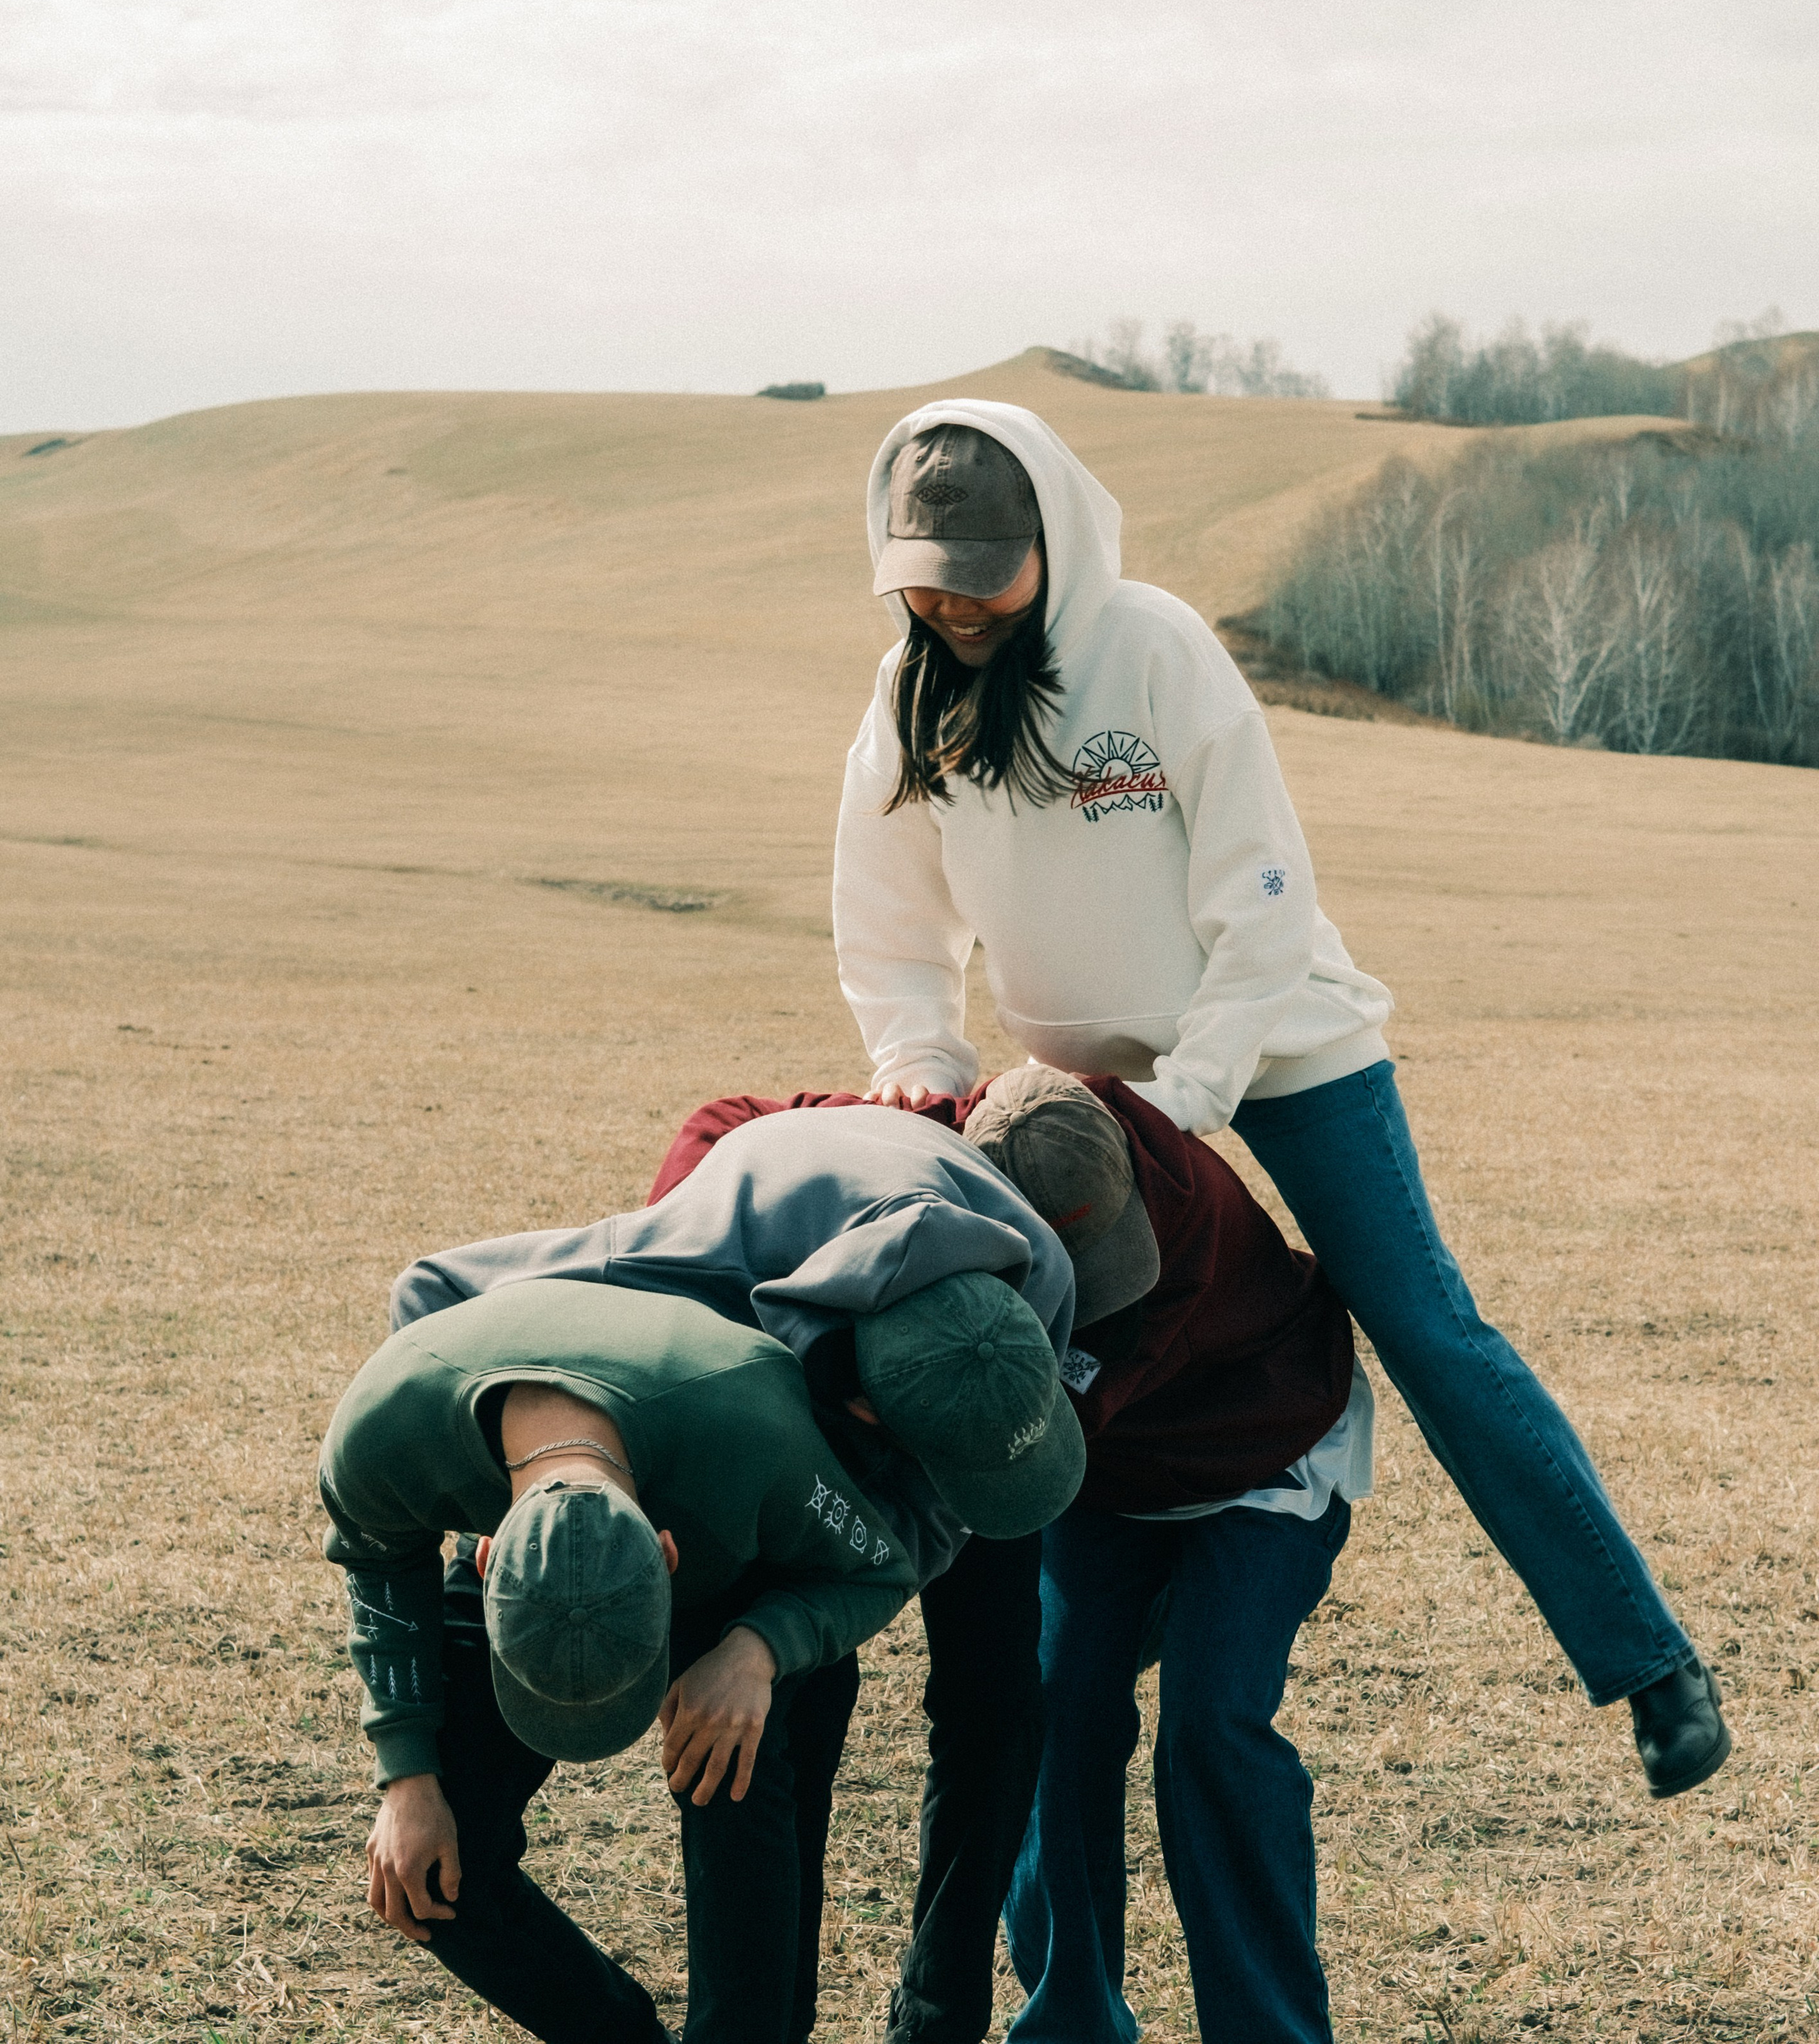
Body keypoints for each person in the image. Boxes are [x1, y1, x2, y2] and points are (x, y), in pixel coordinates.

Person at [831, 403, 1729, 1799]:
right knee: (1083, 1355)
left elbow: (1259, 892)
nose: (951, 599)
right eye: (924, 572)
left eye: (983, 568)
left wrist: (1195, 1090)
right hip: (1084, 1091)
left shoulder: (1152, 648)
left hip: (1275, 1046)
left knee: (1427, 1330)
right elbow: (889, 923)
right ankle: (1112, 1636)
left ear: (1052, 540)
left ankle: (1646, 1660)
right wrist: (923, 1062)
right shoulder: (910, 692)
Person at [650, 1071, 1361, 2044]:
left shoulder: (1170, 1242)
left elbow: (1022, 1453)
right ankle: (1036, 2020)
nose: (1072, 1288)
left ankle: (982, 2019)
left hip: (1190, 1443)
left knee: (1113, 1715)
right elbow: (721, 1120)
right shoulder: (930, 1135)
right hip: (959, 1407)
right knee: (1011, 1699)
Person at [393, 1101, 1108, 2044]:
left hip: (967, 1378)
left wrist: (769, 1645)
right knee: (737, 1722)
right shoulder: (688, 1281)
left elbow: (912, 1545)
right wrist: (516, 1507)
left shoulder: (1034, 1277)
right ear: (854, 1412)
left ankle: (934, 2025)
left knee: (995, 1702)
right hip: (754, 1369)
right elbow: (431, 1297)